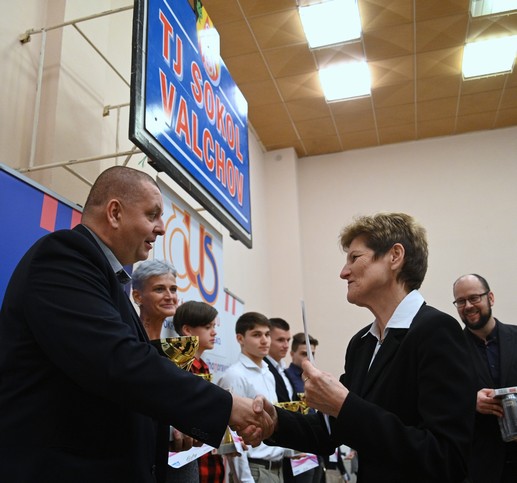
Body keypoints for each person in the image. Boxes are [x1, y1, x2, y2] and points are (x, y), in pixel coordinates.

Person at [0, 165, 273, 482]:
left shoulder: (107, 278)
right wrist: (225, 406)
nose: (162, 228)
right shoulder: (64, 256)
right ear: (115, 213)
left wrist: (170, 424)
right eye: (152, 215)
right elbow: (117, 362)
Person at [263, 212, 476, 482]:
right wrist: (273, 421)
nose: (344, 272)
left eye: (355, 258)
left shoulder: (437, 331)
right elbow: (330, 430)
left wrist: (344, 405)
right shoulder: (362, 343)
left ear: (395, 256)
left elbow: (445, 457)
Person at [132, 259, 200, 483]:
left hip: (181, 459)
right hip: (141, 459)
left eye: (173, 289)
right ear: (137, 296)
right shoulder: (128, 344)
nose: (170, 296)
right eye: (159, 289)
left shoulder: (177, 350)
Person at [452, 274, 517, 482]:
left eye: (474, 298)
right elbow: (440, 401)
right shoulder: (450, 351)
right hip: (479, 468)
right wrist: (470, 402)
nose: (468, 306)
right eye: (460, 301)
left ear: (490, 298)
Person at [218, 312, 285, 483]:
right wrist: (245, 479)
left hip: (277, 468)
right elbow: (232, 435)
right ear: (240, 338)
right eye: (256, 335)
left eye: (267, 334)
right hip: (254, 470)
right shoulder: (235, 375)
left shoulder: (268, 373)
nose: (264, 340)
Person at [173, 300, 226, 483]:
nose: (214, 332)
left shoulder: (203, 366)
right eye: (207, 327)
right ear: (187, 330)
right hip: (187, 463)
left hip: (209, 462)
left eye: (214, 326)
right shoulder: (177, 367)